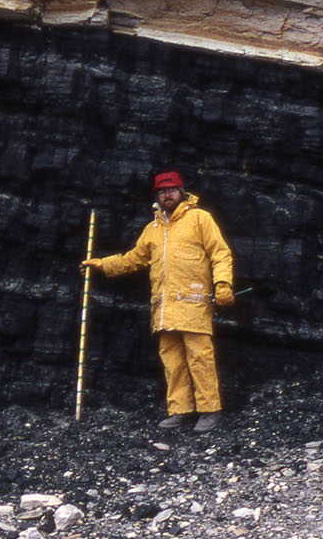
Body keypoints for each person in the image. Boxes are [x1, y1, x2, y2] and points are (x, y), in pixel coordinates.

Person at [81, 170, 234, 432]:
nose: (167, 195)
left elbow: (221, 254)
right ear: (157, 196)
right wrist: (103, 265)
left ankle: (210, 410)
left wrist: (223, 284)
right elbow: (133, 259)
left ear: (182, 191)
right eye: (162, 192)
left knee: (200, 358)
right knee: (172, 362)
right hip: (164, 309)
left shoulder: (200, 219)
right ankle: (180, 410)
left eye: (172, 190)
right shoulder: (152, 229)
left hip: (194, 304)